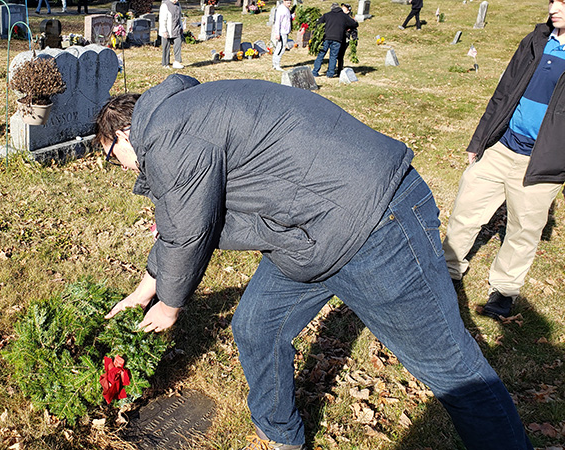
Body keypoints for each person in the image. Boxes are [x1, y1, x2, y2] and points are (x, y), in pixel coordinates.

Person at [97, 74, 532, 450]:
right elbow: (183, 218)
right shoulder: (184, 116)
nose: (120, 168)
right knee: (256, 326)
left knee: (452, 369)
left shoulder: (168, 134)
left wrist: (169, 304)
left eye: (110, 156)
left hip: (374, 222)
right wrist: (146, 288)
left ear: (122, 134)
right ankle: (282, 434)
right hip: (311, 232)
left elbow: (188, 229)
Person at [443, 0, 565, 320]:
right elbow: (503, 92)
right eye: (553, 0)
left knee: (523, 229)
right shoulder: (536, 40)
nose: (554, 7)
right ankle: (448, 269)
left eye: (563, 2)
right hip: (502, 147)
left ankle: (505, 289)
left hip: (541, 164)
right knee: (466, 209)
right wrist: (480, 140)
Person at [312, 3, 358, 78]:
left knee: (321, 54)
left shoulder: (327, 15)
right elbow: (354, 24)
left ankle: (315, 72)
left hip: (326, 38)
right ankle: (330, 74)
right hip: (338, 39)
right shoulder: (344, 16)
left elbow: (318, 23)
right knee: (333, 56)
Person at [159, 0, 184, 69]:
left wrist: (181, 27)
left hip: (176, 29)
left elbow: (179, 18)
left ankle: (177, 62)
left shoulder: (178, 5)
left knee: (178, 44)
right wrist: (164, 31)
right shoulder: (165, 5)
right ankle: (165, 63)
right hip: (167, 30)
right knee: (166, 47)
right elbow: (162, 19)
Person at [271, 0, 292, 71]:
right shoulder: (281, 9)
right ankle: (276, 64)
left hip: (285, 31)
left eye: (290, 3)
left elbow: (286, 19)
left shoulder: (286, 9)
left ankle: (275, 63)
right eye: (288, 3)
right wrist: (277, 33)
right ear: (284, 1)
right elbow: (278, 22)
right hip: (282, 32)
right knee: (281, 49)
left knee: (280, 48)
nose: (289, 4)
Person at [336, 3, 356, 75]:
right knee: (336, 54)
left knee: (340, 55)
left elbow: (354, 28)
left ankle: (339, 69)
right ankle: (335, 68)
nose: (342, 9)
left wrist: (354, 37)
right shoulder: (339, 16)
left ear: (348, 10)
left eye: (344, 8)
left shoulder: (349, 18)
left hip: (344, 38)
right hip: (337, 37)